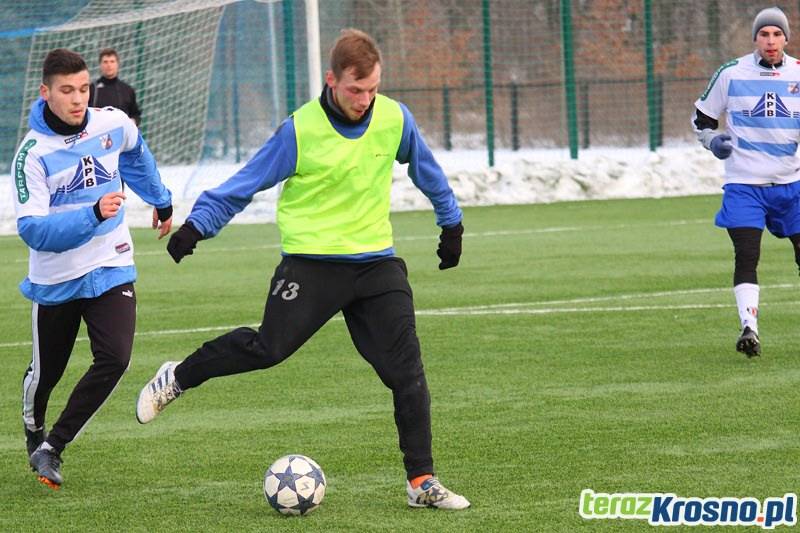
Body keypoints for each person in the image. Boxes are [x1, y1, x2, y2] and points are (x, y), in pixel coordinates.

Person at [136, 28, 469, 510]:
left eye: (373, 88)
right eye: (356, 90)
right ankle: (180, 376)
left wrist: (451, 224)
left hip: (377, 265)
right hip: (311, 266)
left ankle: (422, 482)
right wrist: (198, 227)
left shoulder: (395, 118)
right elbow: (244, 183)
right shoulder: (301, 129)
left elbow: (428, 171)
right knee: (268, 349)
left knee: (408, 371)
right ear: (332, 80)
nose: (365, 99)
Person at [12, 48, 173, 489]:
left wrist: (160, 199)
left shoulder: (112, 123)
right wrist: (93, 215)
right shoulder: (32, 155)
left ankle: (54, 447)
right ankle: (33, 425)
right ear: (46, 93)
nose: (77, 98)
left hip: (111, 262)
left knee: (116, 357)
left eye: (83, 89)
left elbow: (136, 154)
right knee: (48, 373)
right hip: (57, 278)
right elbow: (34, 231)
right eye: (66, 90)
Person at [692, 6, 800, 358]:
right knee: (747, 254)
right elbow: (701, 120)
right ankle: (749, 328)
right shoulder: (731, 73)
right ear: (755, 38)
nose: (771, 41)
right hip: (744, 185)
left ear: (787, 37)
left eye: (777, 34)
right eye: (764, 34)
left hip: (791, 185)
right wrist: (712, 141)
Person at [89, 48, 141, 125]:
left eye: (112, 61)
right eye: (105, 62)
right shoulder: (92, 89)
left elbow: (135, 114)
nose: (109, 65)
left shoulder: (127, 90)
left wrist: (132, 122)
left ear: (118, 64)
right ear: (100, 65)